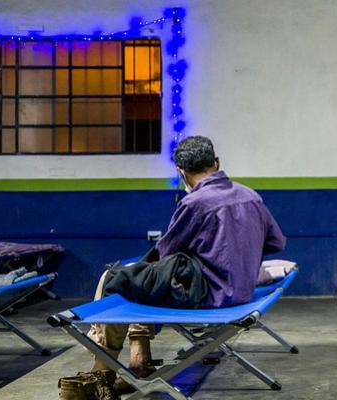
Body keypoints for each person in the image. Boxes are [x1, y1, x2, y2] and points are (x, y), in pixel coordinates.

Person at [87, 136, 286, 383]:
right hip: (243, 292)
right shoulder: (251, 196)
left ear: (180, 171)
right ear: (217, 162)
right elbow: (277, 242)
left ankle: (102, 370)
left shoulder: (195, 203)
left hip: (209, 297)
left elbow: (166, 253)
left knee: (116, 278)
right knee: (142, 278)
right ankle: (139, 359)